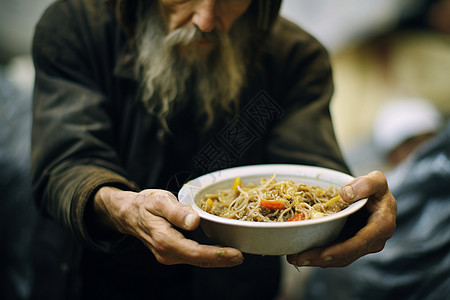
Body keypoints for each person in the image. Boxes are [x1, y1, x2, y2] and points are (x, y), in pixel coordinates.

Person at [30, 0, 397, 299]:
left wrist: (356, 207)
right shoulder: (76, 26)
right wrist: (121, 206)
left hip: (235, 284)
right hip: (96, 278)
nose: (206, 19)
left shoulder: (296, 56)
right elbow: (66, 162)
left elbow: (310, 171)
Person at [301, 99, 450, 299]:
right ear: (391, 153)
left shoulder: (436, 170)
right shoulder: (384, 181)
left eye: (426, 141)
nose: (419, 151)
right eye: (408, 144)